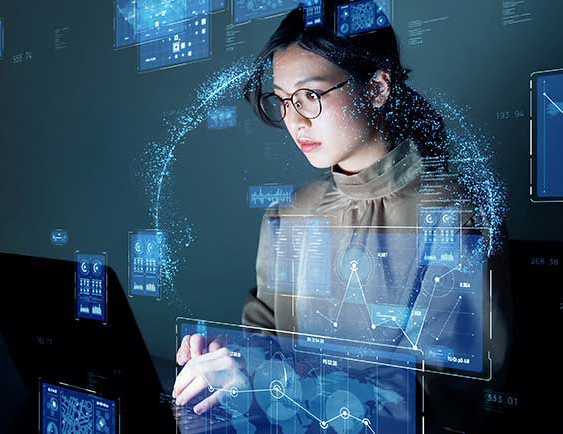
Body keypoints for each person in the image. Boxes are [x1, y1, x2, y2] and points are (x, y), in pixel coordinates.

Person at [172, 4, 510, 425]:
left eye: (309, 96)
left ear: (377, 88)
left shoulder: (455, 212)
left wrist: (263, 380)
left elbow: (436, 393)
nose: (294, 120)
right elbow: (264, 343)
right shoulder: (288, 215)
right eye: (283, 101)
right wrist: (229, 355)